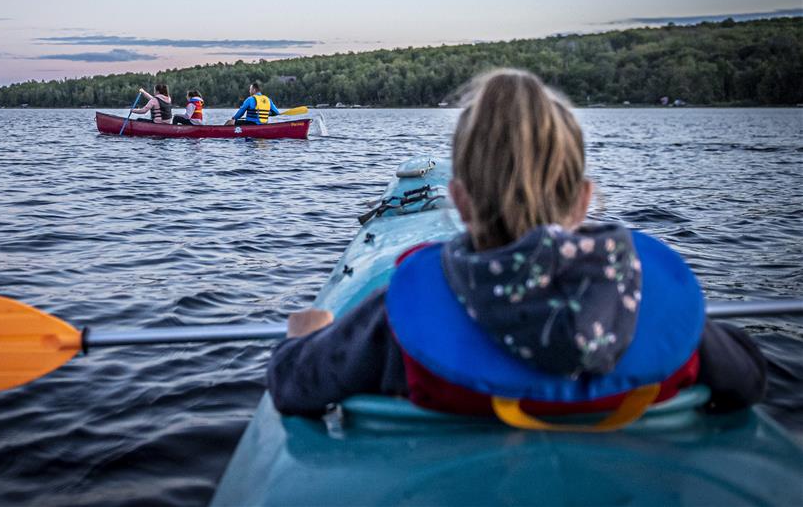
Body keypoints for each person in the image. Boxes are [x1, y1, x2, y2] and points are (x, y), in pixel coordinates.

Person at [267, 69, 767, 423]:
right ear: (585, 200)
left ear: (458, 201)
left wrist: (303, 337)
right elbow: (748, 378)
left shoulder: (395, 316)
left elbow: (294, 386)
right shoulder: (652, 297)